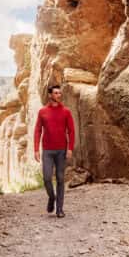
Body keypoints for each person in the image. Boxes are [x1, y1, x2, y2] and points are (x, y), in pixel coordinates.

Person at [33, 84, 75, 218]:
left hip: (61, 150)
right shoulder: (42, 112)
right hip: (47, 151)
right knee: (46, 178)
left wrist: (70, 148)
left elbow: (72, 131)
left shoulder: (66, 112)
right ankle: (52, 197)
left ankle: (60, 209)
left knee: (61, 179)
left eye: (60, 93)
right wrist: (36, 149)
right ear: (50, 95)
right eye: (56, 93)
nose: (59, 95)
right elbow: (37, 130)